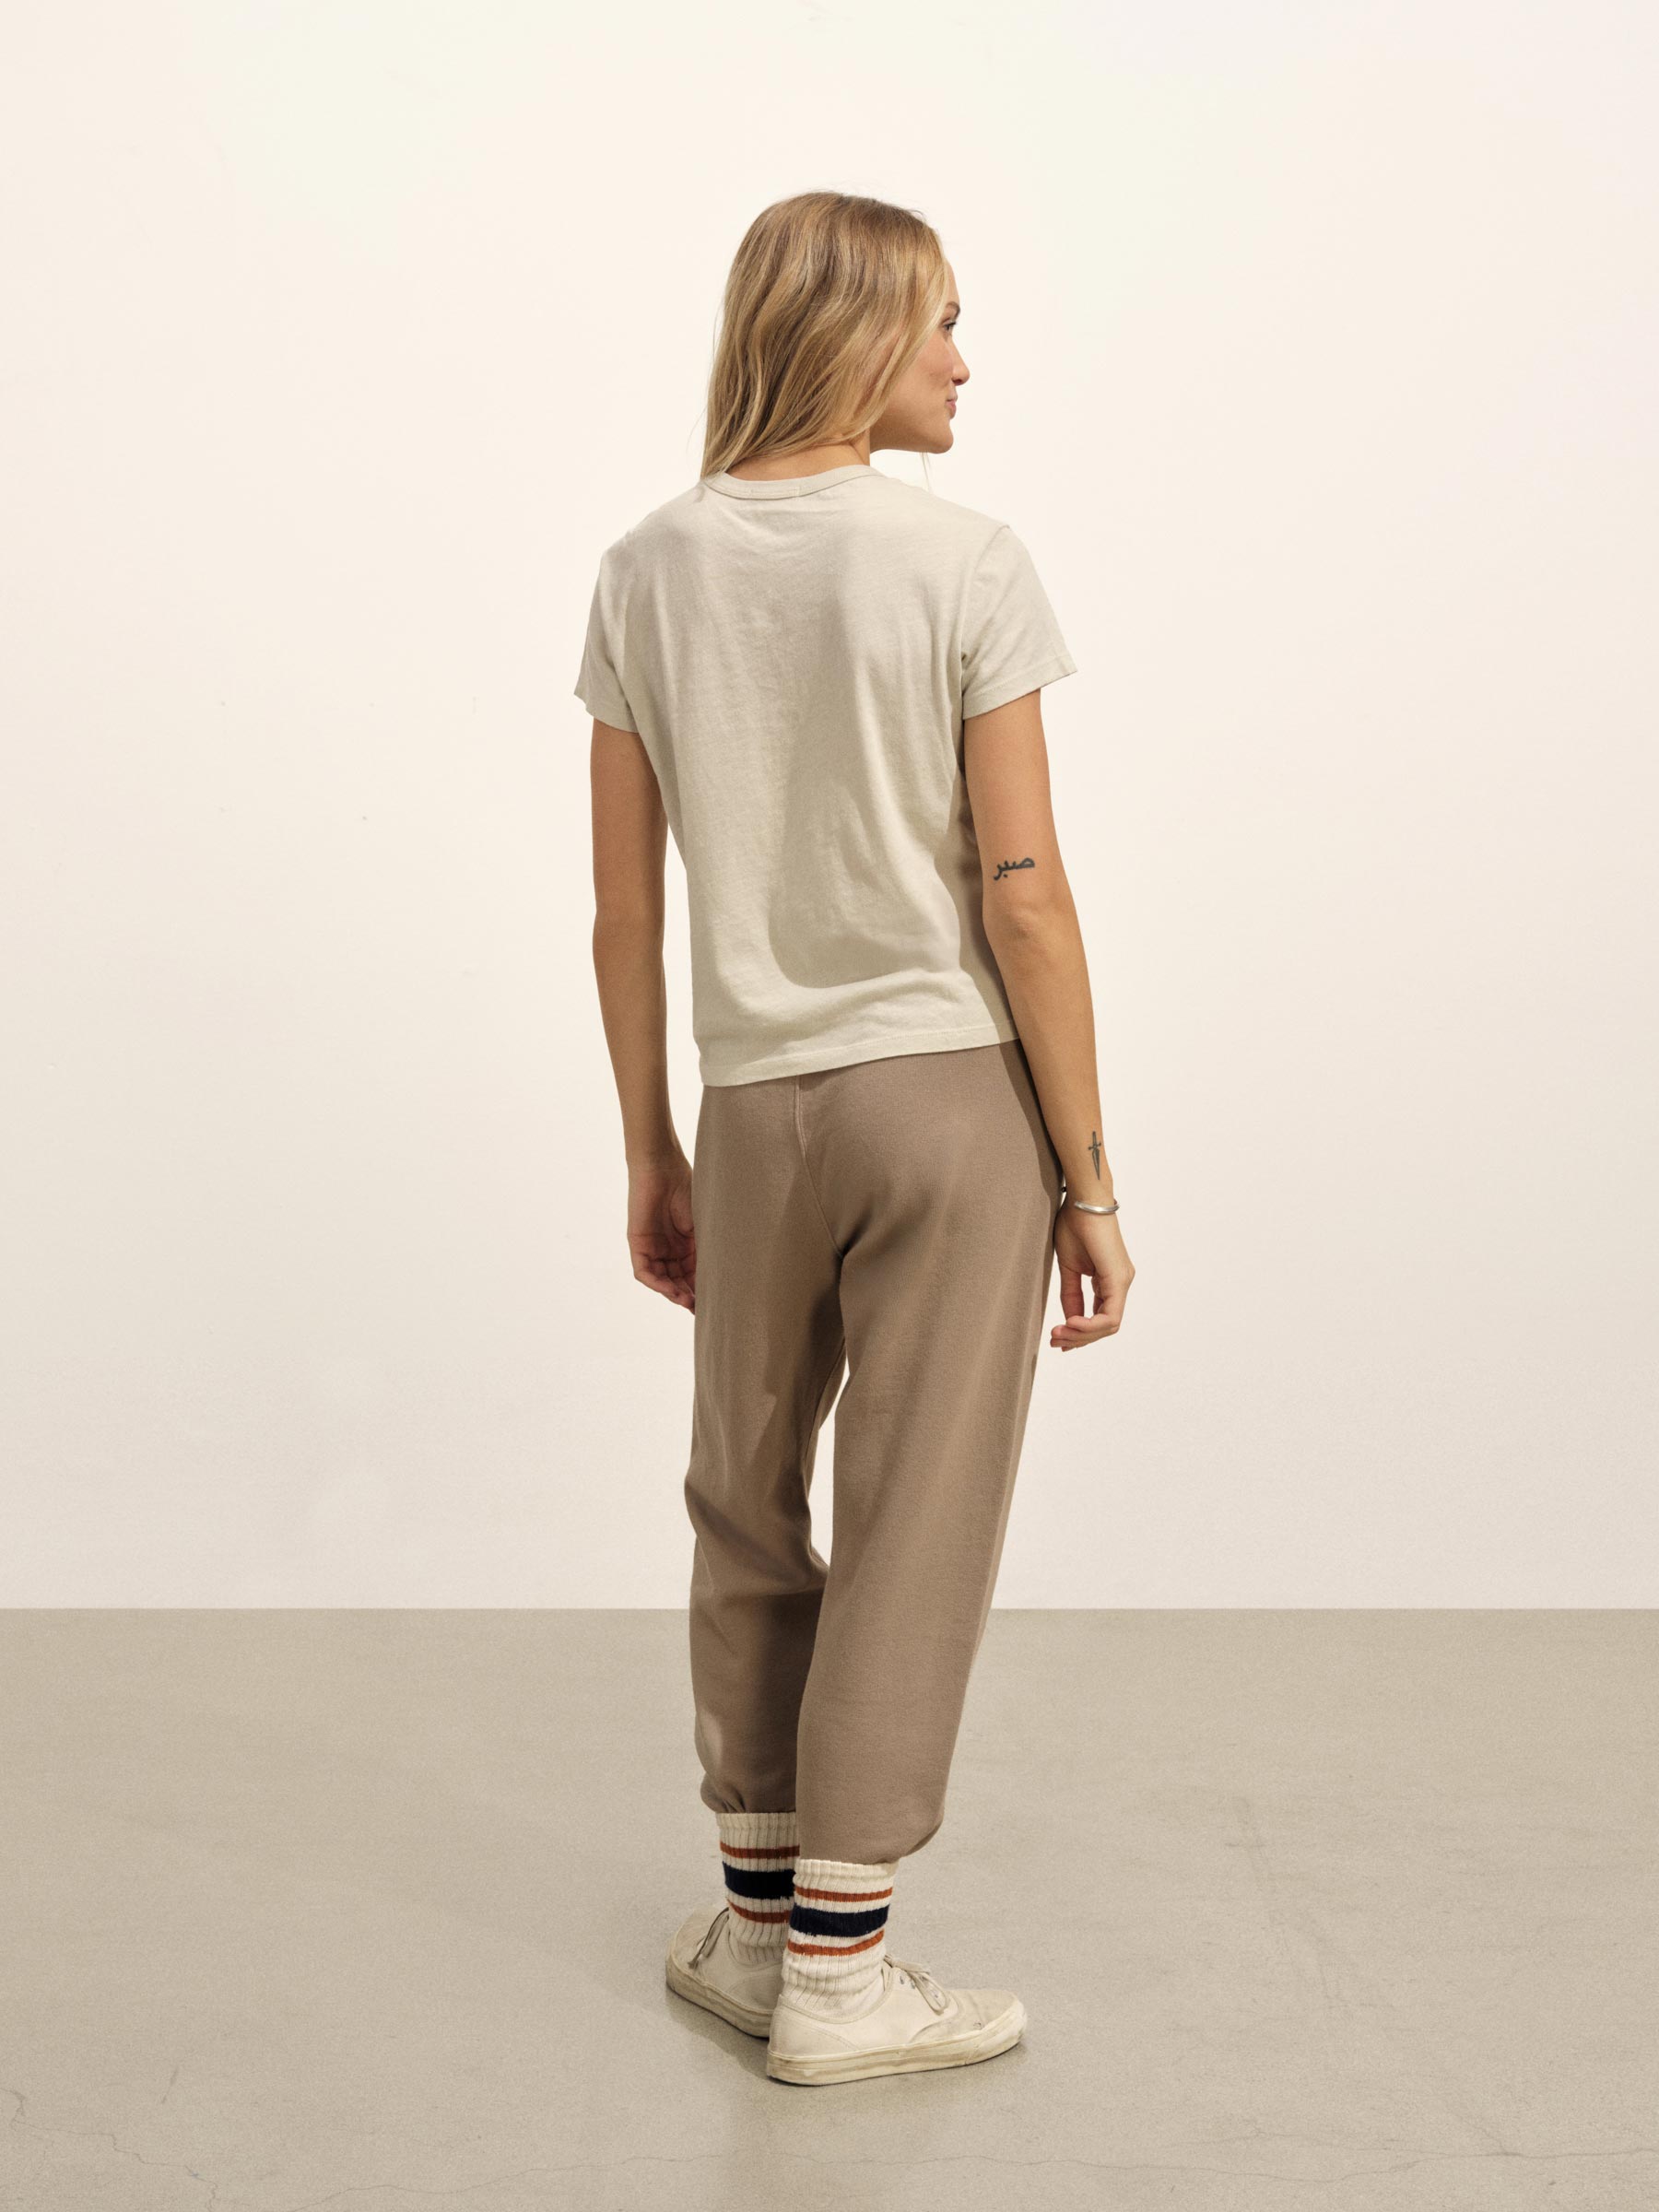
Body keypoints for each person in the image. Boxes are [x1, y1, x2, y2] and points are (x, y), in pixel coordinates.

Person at [575, 190, 1135, 2086]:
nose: (966, 363)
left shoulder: (645, 567)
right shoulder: (963, 563)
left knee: (743, 1488)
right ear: (858, 337)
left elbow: (624, 911)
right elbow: (1026, 895)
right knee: (917, 1512)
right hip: (945, 1093)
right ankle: (841, 1975)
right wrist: (1090, 1177)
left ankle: (754, 1928)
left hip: (752, 1101)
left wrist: (650, 1146)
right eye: (941, 325)